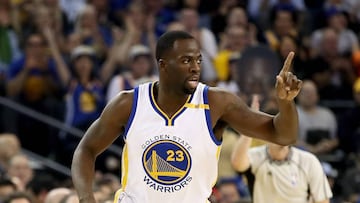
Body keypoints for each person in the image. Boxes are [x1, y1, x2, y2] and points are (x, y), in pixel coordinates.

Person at [71, 30, 302, 203]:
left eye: (198, 60)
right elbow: (85, 150)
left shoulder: (217, 103)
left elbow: (283, 135)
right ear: (163, 66)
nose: (195, 67)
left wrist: (286, 102)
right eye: (186, 60)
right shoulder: (129, 103)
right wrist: (86, 198)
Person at [231, 95, 333, 203]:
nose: (281, 134)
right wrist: (251, 125)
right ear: (266, 134)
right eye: (276, 129)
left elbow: (323, 200)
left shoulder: (308, 161)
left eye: (285, 129)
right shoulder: (255, 156)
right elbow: (237, 163)